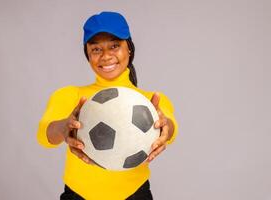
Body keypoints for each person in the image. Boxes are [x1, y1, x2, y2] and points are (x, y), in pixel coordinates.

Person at [37, 11, 178, 200]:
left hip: (135, 195)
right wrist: (64, 128)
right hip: (79, 196)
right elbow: (44, 133)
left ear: (129, 48)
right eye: (96, 49)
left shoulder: (150, 100)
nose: (106, 56)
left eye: (114, 46)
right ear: (87, 54)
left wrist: (165, 126)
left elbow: (170, 127)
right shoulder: (72, 96)